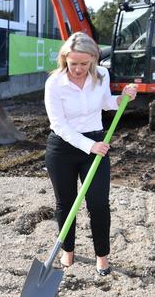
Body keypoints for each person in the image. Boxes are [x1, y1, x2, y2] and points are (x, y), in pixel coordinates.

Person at [43, 32, 137, 276]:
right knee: (66, 203)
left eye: (83, 64)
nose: (78, 69)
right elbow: (59, 124)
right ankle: (68, 250)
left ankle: (102, 256)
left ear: (94, 59)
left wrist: (122, 98)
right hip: (63, 147)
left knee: (98, 204)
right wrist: (89, 145)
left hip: (97, 144)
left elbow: (106, 102)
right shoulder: (54, 83)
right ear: (65, 59)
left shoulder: (102, 75)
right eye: (73, 63)